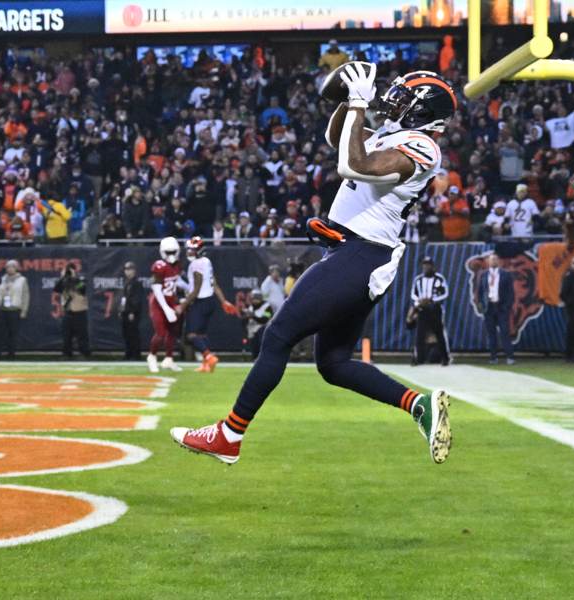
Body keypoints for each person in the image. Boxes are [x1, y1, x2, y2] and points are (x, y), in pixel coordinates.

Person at [173, 65, 456, 466]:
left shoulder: (424, 146)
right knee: (334, 364)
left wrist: (359, 102)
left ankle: (229, 435)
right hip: (355, 255)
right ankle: (418, 405)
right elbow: (336, 139)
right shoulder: (395, 134)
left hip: (361, 254)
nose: (394, 101)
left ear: (425, 113)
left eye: (405, 99)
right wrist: (346, 100)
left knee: (278, 337)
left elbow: (353, 165)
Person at [176, 237, 239, 372]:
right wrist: (223, 301)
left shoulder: (196, 264)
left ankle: (209, 356)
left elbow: (197, 289)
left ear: (199, 250)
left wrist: (183, 305)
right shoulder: (207, 261)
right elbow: (214, 283)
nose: (189, 252)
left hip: (200, 301)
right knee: (201, 334)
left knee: (191, 335)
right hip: (210, 301)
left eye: (192, 250)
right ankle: (206, 364)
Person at [147, 237, 184, 373]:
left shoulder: (177, 265)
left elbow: (176, 281)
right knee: (160, 333)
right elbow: (157, 289)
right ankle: (152, 356)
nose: (171, 255)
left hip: (170, 301)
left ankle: (168, 359)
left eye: (173, 252)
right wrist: (166, 308)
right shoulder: (159, 266)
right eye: (168, 252)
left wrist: (188, 287)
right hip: (158, 303)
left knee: (172, 332)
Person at [409, 256, 451, 365]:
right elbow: (413, 294)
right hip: (422, 309)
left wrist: (432, 300)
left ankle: (445, 358)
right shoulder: (418, 280)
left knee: (440, 334)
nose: (426, 266)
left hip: (435, 309)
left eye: (428, 264)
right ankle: (418, 359)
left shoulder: (439, 278)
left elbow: (445, 293)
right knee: (419, 334)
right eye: (424, 264)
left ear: (432, 266)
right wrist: (419, 301)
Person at [475, 253, 515, 365]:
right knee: (491, 333)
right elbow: (480, 291)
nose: (493, 262)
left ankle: (510, 356)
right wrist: (481, 305)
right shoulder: (484, 275)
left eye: (495, 259)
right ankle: (493, 357)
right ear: (488, 262)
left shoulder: (505, 275)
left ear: (499, 261)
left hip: (501, 306)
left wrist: (507, 306)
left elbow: (510, 293)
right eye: (491, 260)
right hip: (489, 307)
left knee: (505, 332)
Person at [55, 262, 90, 359]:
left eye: (70, 270)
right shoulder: (63, 282)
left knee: (82, 335)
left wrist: (74, 277)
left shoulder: (81, 280)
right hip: (67, 312)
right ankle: (67, 353)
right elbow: (57, 289)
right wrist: (63, 277)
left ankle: (84, 353)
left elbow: (82, 289)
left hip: (80, 312)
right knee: (66, 335)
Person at [0, 260, 30, 359]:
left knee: (13, 333)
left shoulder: (22, 280)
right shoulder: (2, 279)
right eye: (7, 267)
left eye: (12, 267)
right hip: (2, 309)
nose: (9, 269)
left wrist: (24, 310)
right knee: (1, 333)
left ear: (16, 268)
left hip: (15, 309)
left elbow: (26, 295)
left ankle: (11, 354)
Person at [120, 261, 145, 360]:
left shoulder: (137, 284)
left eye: (130, 269)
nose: (128, 272)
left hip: (132, 313)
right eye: (126, 269)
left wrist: (132, 312)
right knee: (126, 334)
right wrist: (121, 310)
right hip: (125, 312)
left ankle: (135, 354)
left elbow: (137, 300)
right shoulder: (126, 283)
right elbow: (124, 298)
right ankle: (128, 353)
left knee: (133, 333)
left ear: (134, 271)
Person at [241, 290, 273, 358]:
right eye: (253, 299)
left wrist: (253, 316)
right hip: (252, 330)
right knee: (254, 345)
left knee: (261, 338)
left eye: (256, 299)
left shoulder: (267, 307)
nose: (254, 301)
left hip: (264, 329)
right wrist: (246, 317)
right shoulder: (250, 308)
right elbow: (244, 321)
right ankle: (255, 358)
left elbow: (265, 320)